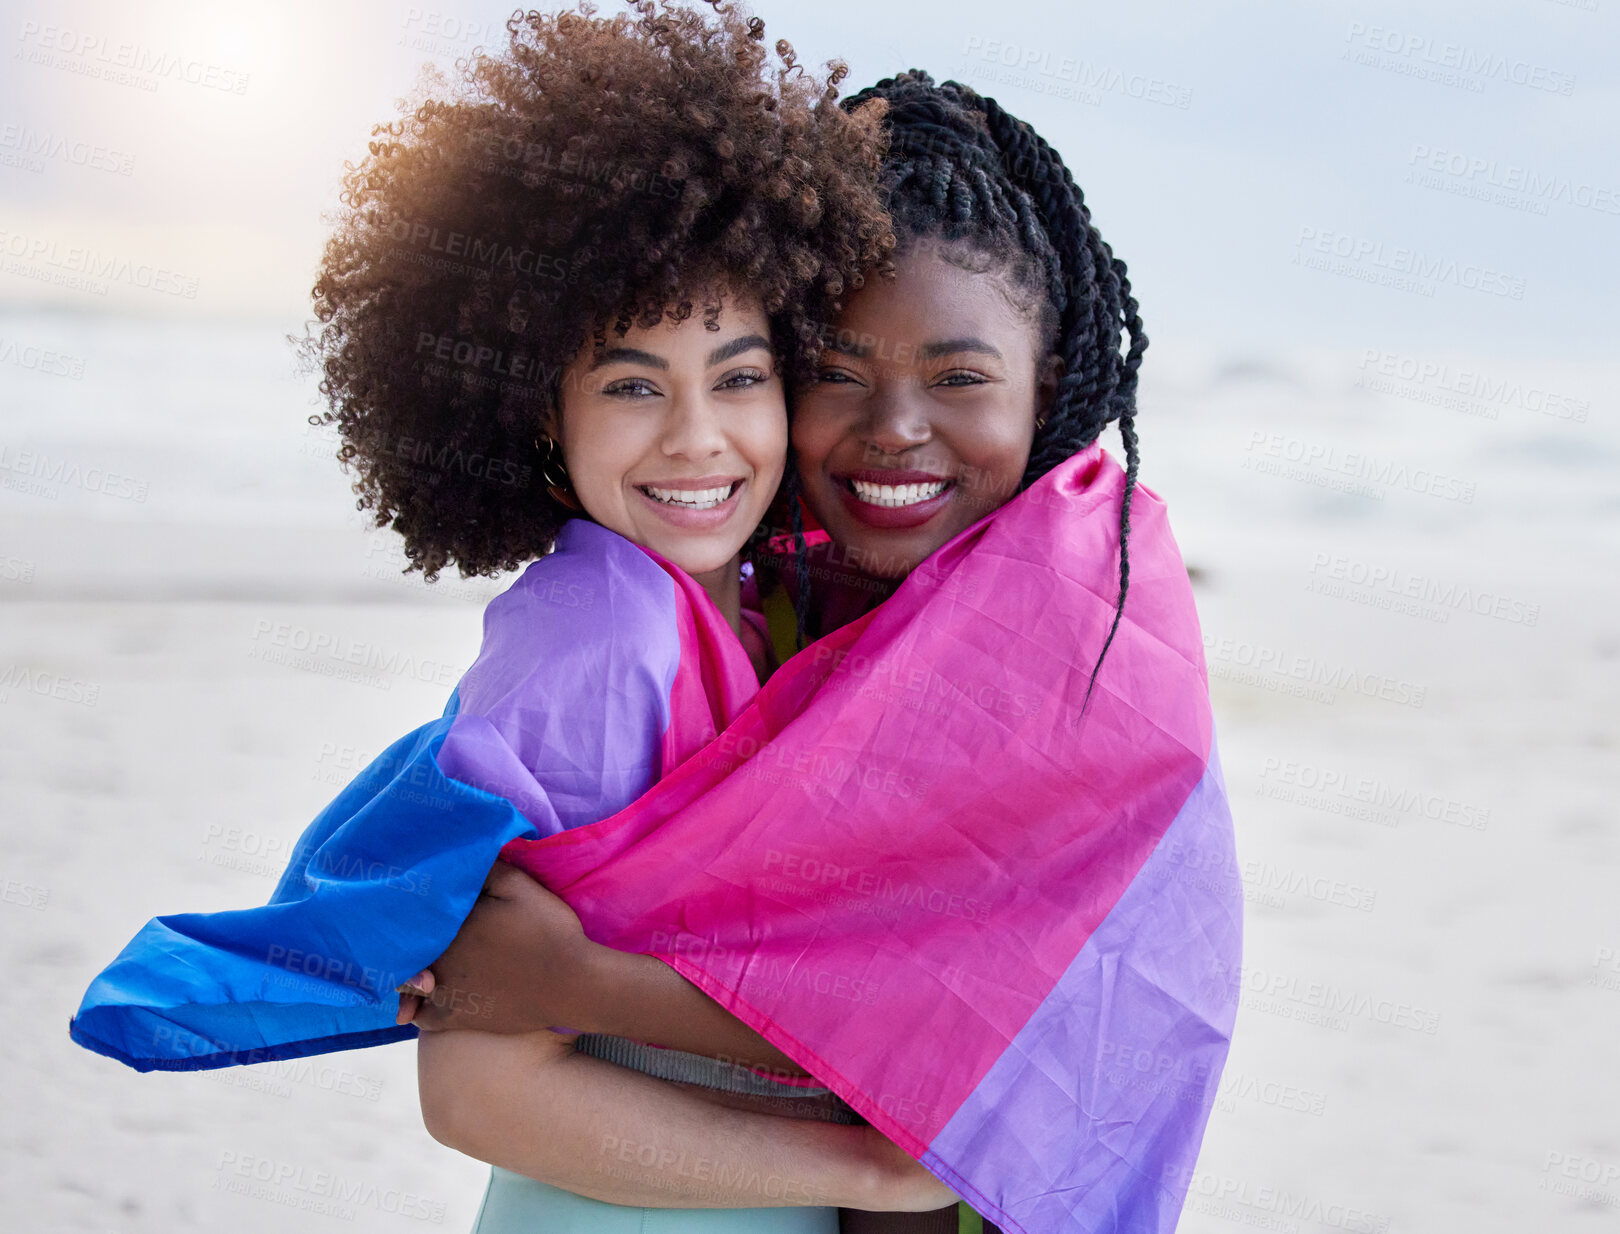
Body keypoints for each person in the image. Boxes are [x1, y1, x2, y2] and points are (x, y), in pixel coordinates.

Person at [68, 5, 960, 1229]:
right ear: (539, 412)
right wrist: (865, 1170)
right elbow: (478, 1085)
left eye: (740, 375)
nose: (698, 435)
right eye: (631, 384)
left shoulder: (745, 609)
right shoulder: (602, 643)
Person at [409, 71, 1241, 1234]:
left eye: (958, 377)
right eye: (835, 373)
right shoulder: (744, 607)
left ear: (1048, 382)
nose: (895, 426)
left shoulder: (1090, 633)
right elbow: (482, 1072)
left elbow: (1021, 1012)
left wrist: (579, 981)